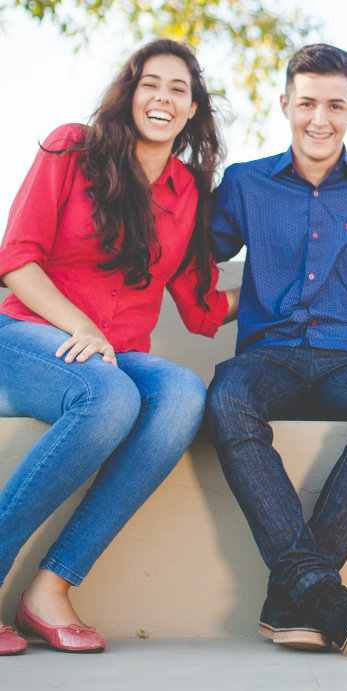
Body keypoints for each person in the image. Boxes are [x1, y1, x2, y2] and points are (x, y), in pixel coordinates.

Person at [0, 39, 236, 655]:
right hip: (28, 332)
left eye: (178, 89)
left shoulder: (188, 192)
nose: (162, 97)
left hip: (116, 353)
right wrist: (79, 325)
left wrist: (298, 290)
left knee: (183, 394)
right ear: (130, 93)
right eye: (150, 83)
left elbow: (201, 306)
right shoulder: (71, 147)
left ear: (192, 110)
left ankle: (49, 589)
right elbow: (16, 261)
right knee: (108, 398)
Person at [204, 44, 347, 658]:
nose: (319, 120)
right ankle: (321, 592)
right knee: (226, 397)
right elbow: (192, 252)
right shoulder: (246, 183)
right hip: (267, 356)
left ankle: (296, 593)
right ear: (285, 105)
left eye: (334, 105)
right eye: (306, 104)